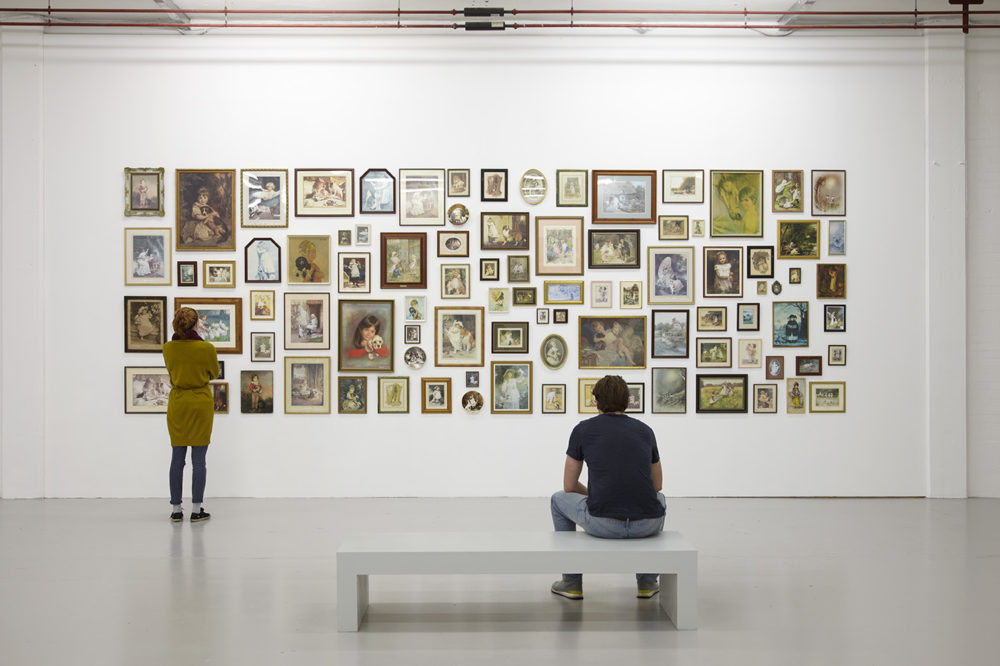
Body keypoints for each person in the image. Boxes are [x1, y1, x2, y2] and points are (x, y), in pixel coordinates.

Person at [550, 375, 666, 600]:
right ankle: (647, 582)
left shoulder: (583, 430)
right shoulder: (645, 431)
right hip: (646, 524)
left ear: (596, 402)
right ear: (627, 401)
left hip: (603, 524)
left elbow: (569, 485)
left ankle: (571, 582)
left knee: (557, 498)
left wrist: (595, 494)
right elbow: (658, 485)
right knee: (659, 499)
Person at [162, 307, 220, 523]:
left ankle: (176, 509)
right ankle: (197, 509)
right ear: (196, 324)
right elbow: (214, 373)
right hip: (200, 403)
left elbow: (171, 371)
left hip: (178, 403)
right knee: (199, 460)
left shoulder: (168, 348)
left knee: (177, 458)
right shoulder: (206, 348)